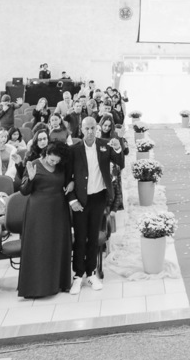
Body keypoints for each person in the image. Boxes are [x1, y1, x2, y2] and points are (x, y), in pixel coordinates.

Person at [66, 119, 124, 294]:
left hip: (98, 198)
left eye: (93, 128)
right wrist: (72, 200)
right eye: (87, 128)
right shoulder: (74, 150)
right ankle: (78, 275)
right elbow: (67, 177)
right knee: (80, 237)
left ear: (96, 129)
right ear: (81, 129)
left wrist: (118, 148)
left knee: (93, 237)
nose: (90, 131)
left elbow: (120, 163)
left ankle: (91, 273)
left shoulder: (105, 145)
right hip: (80, 200)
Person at [17, 140, 72, 298]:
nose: (54, 163)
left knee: (57, 246)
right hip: (38, 212)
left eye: (56, 161)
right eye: (51, 160)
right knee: (39, 248)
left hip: (59, 210)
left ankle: (59, 283)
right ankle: (37, 288)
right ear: (46, 154)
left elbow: (67, 179)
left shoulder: (61, 166)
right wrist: (30, 179)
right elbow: (24, 191)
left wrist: (72, 183)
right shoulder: (34, 164)